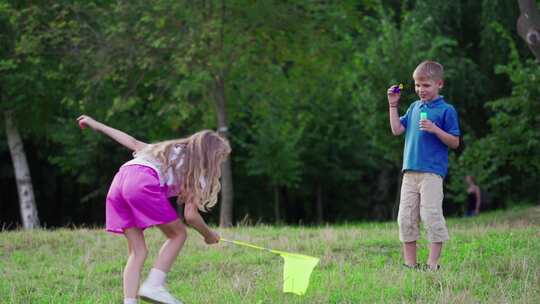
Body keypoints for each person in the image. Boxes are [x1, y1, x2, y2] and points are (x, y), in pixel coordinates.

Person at [77, 115, 230, 304]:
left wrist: (95, 123)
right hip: (142, 182)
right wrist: (208, 235)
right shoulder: (197, 173)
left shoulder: (166, 150)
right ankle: (155, 286)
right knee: (178, 234)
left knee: (137, 251)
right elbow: (190, 216)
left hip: (119, 183)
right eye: (221, 158)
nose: (220, 163)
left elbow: (130, 141)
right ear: (211, 157)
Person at [387, 60, 460, 271]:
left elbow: (455, 142)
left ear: (439, 84)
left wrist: (435, 130)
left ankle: (433, 264)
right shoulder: (414, 107)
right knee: (406, 218)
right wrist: (393, 105)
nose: (421, 90)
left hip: (431, 174)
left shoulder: (446, 110)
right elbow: (396, 130)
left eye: (426, 85)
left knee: (430, 215)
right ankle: (410, 265)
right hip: (410, 173)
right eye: (418, 85)